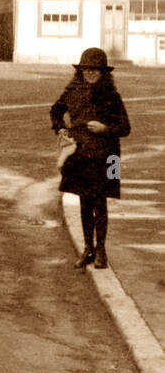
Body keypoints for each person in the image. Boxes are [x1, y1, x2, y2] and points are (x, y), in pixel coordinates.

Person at [50, 48, 130, 270]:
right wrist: (60, 129)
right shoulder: (72, 91)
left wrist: (105, 128)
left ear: (103, 72)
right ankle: (88, 249)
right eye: (87, 69)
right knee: (85, 201)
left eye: (95, 70)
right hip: (81, 155)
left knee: (101, 201)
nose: (91, 73)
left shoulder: (111, 96)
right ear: (81, 70)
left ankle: (101, 250)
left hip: (108, 156)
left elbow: (125, 128)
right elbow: (55, 110)